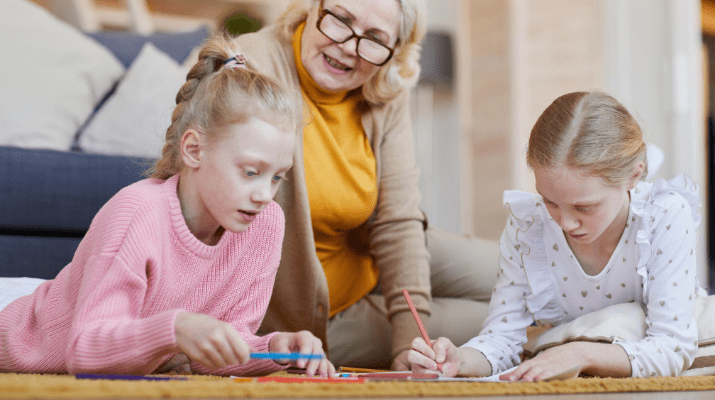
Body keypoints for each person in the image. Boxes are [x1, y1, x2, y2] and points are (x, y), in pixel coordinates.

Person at [0, 35, 334, 378]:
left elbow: (212, 358)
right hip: (15, 328)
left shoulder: (264, 225)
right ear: (193, 150)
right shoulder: (137, 213)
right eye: (251, 172)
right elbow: (84, 351)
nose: (265, 194)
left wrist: (275, 349)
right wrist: (176, 330)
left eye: (278, 177)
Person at [231, 0, 500, 370]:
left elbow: (397, 221)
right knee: (502, 321)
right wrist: (411, 350)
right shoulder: (248, 70)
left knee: (525, 270)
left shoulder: (382, 83)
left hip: (369, 254)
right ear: (313, 7)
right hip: (323, 316)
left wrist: (410, 341)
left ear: (395, 52)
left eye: (375, 39)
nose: (349, 47)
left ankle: (600, 325)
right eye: (340, 20)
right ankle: (576, 337)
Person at [407, 91, 706, 380]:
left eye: (583, 207)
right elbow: (501, 338)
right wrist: (461, 360)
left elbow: (673, 346)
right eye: (550, 201)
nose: (565, 222)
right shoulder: (530, 223)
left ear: (634, 176)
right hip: (555, 335)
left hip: (585, 339)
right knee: (413, 257)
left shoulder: (663, 215)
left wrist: (580, 354)